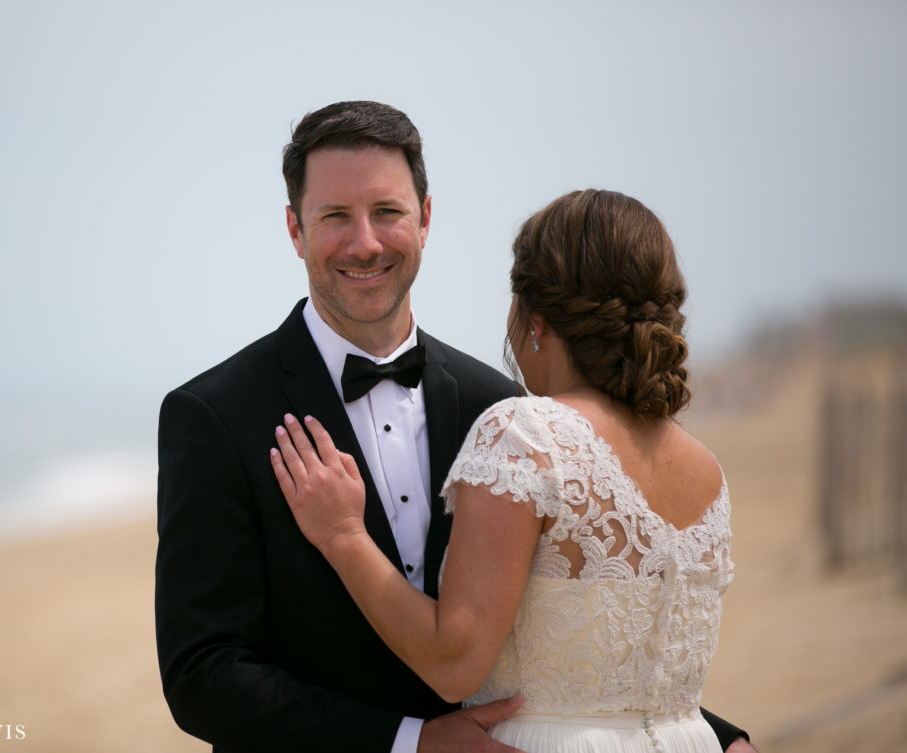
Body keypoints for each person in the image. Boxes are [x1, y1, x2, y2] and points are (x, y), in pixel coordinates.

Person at [155, 102, 749, 753]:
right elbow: (203, 675)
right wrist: (408, 742)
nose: (365, 242)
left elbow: (580, 624)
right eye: (334, 217)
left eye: (386, 211)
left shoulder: (505, 410)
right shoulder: (214, 414)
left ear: (426, 218)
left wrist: (711, 734)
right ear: (295, 230)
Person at [271, 188, 755, 752]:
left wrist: (344, 535)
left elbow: (455, 665)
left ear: (536, 320)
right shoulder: (706, 470)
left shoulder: (524, 433)